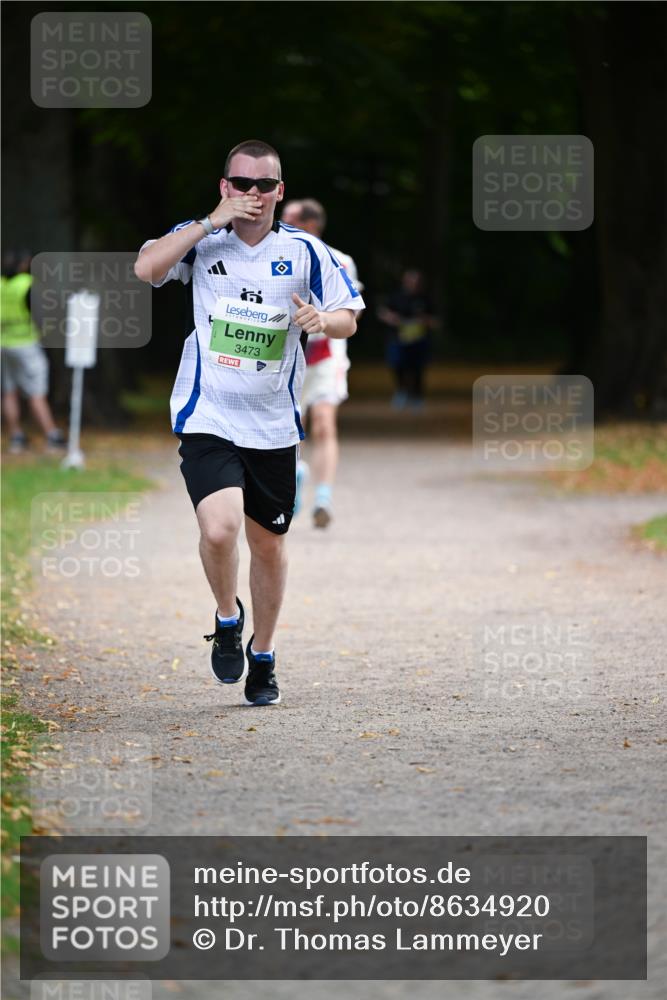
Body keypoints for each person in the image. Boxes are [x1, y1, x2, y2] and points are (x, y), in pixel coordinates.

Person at [134, 140, 364, 706]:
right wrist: (209, 221)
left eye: (265, 186)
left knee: (268, 544)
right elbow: (147, 268)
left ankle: (263, 655)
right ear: (225, 186)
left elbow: (349, 318)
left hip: (272, 424)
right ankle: (226, 616)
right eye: (242, 184)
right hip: (208, 409)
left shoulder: (308, 252)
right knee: (219, 529)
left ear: (280, 191)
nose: (253, 196)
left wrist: (321, 318)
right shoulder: (203, 238)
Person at [281, 198, 362, 528]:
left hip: (326, 353)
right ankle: (297, 474)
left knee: (324, 423)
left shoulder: (340, 261)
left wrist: (323, 319)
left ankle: (324, 497)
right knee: (289, 430)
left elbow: (351, 313)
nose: (281, 224)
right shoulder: (276, 256)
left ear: (311, 226)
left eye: (290, 220)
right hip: (287, 355)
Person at [1, 251, 66, 454]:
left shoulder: (1, 284)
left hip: (4, 343)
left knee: (9, 392)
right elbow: (42, 313)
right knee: (37, 393)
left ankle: (16, 437)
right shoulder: (28, 284)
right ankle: (51, 435)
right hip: (26, 343)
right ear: (24, 264)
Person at [378, 268, 436, 411]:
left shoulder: (425, 298)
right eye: (410, 281)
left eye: (416, 281)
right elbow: (382, 312)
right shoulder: (396, 296)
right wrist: (392, 318)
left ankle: (417, 396)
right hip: (397, 338)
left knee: (418, 368)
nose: (413, 284)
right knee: (397, 365)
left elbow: (435, 320)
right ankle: (401, 391)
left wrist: (425, 321)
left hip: (419, 339)